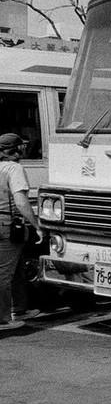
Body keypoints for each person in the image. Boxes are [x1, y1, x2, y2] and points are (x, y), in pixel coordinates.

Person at [1, 134, 45, 330]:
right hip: (7, 225)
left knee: (16, 266)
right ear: (16, 150)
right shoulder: (14, 169)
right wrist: (36, 225)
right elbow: (21, 202)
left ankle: (18, 308)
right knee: (4, 273)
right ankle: (2, 319)